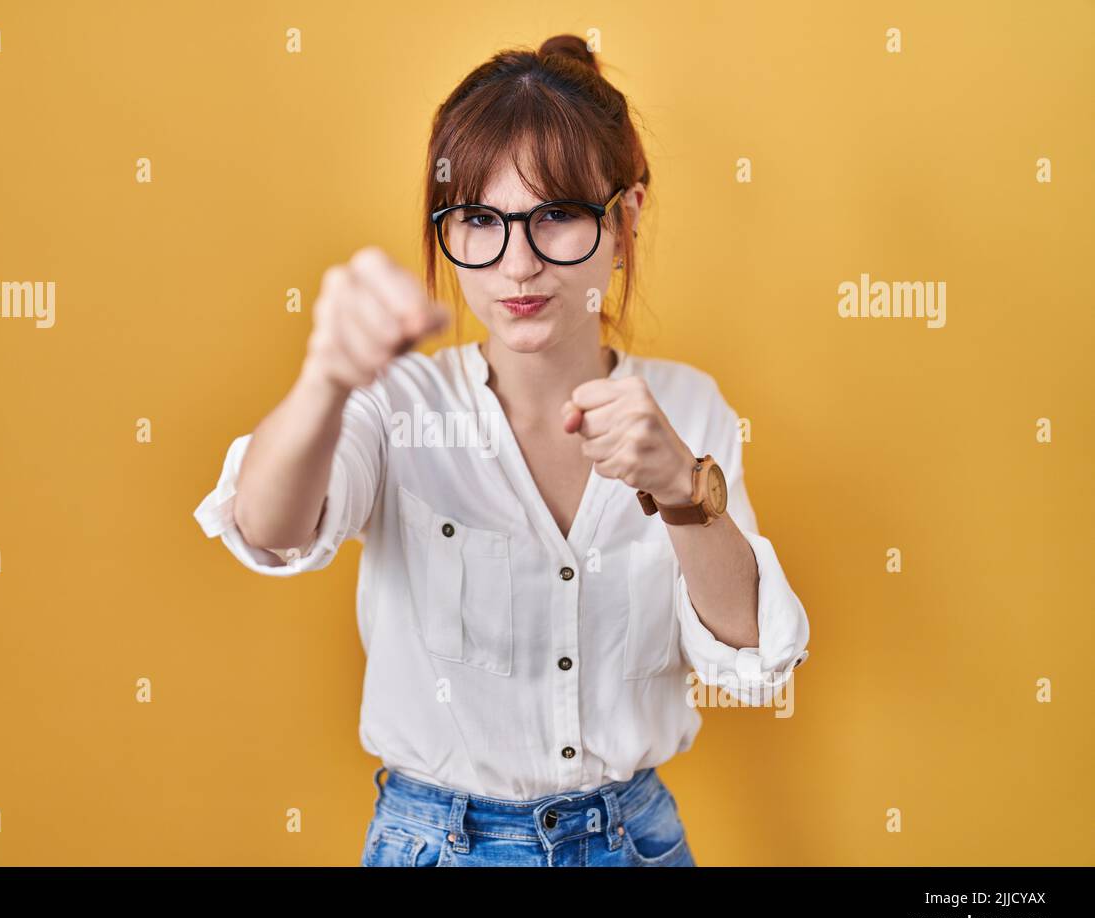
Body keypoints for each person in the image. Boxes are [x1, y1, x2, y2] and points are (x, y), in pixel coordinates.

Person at [193, 35, 810, 867]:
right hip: (438, 845)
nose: (516, 265)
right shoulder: (396, 403)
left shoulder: (689, 407)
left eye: (557, 215)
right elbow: (269, 529)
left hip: (637, 840)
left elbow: (750, 664)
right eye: (480, 221)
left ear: (623, 221)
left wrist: (678, 490)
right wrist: (325, 379)